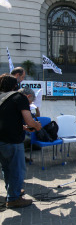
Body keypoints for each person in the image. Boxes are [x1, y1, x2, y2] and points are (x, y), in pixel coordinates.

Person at [0, 74, 42, 208]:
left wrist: (23, 127)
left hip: (1, 139)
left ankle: (12, 191)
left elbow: (7, 119)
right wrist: (36, 125)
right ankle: (13, 199)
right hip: (12, 140)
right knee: (17, 169)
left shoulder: (1, 97)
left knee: (6, 168)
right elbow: (30, 120)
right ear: (15, 85)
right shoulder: (20, 98)